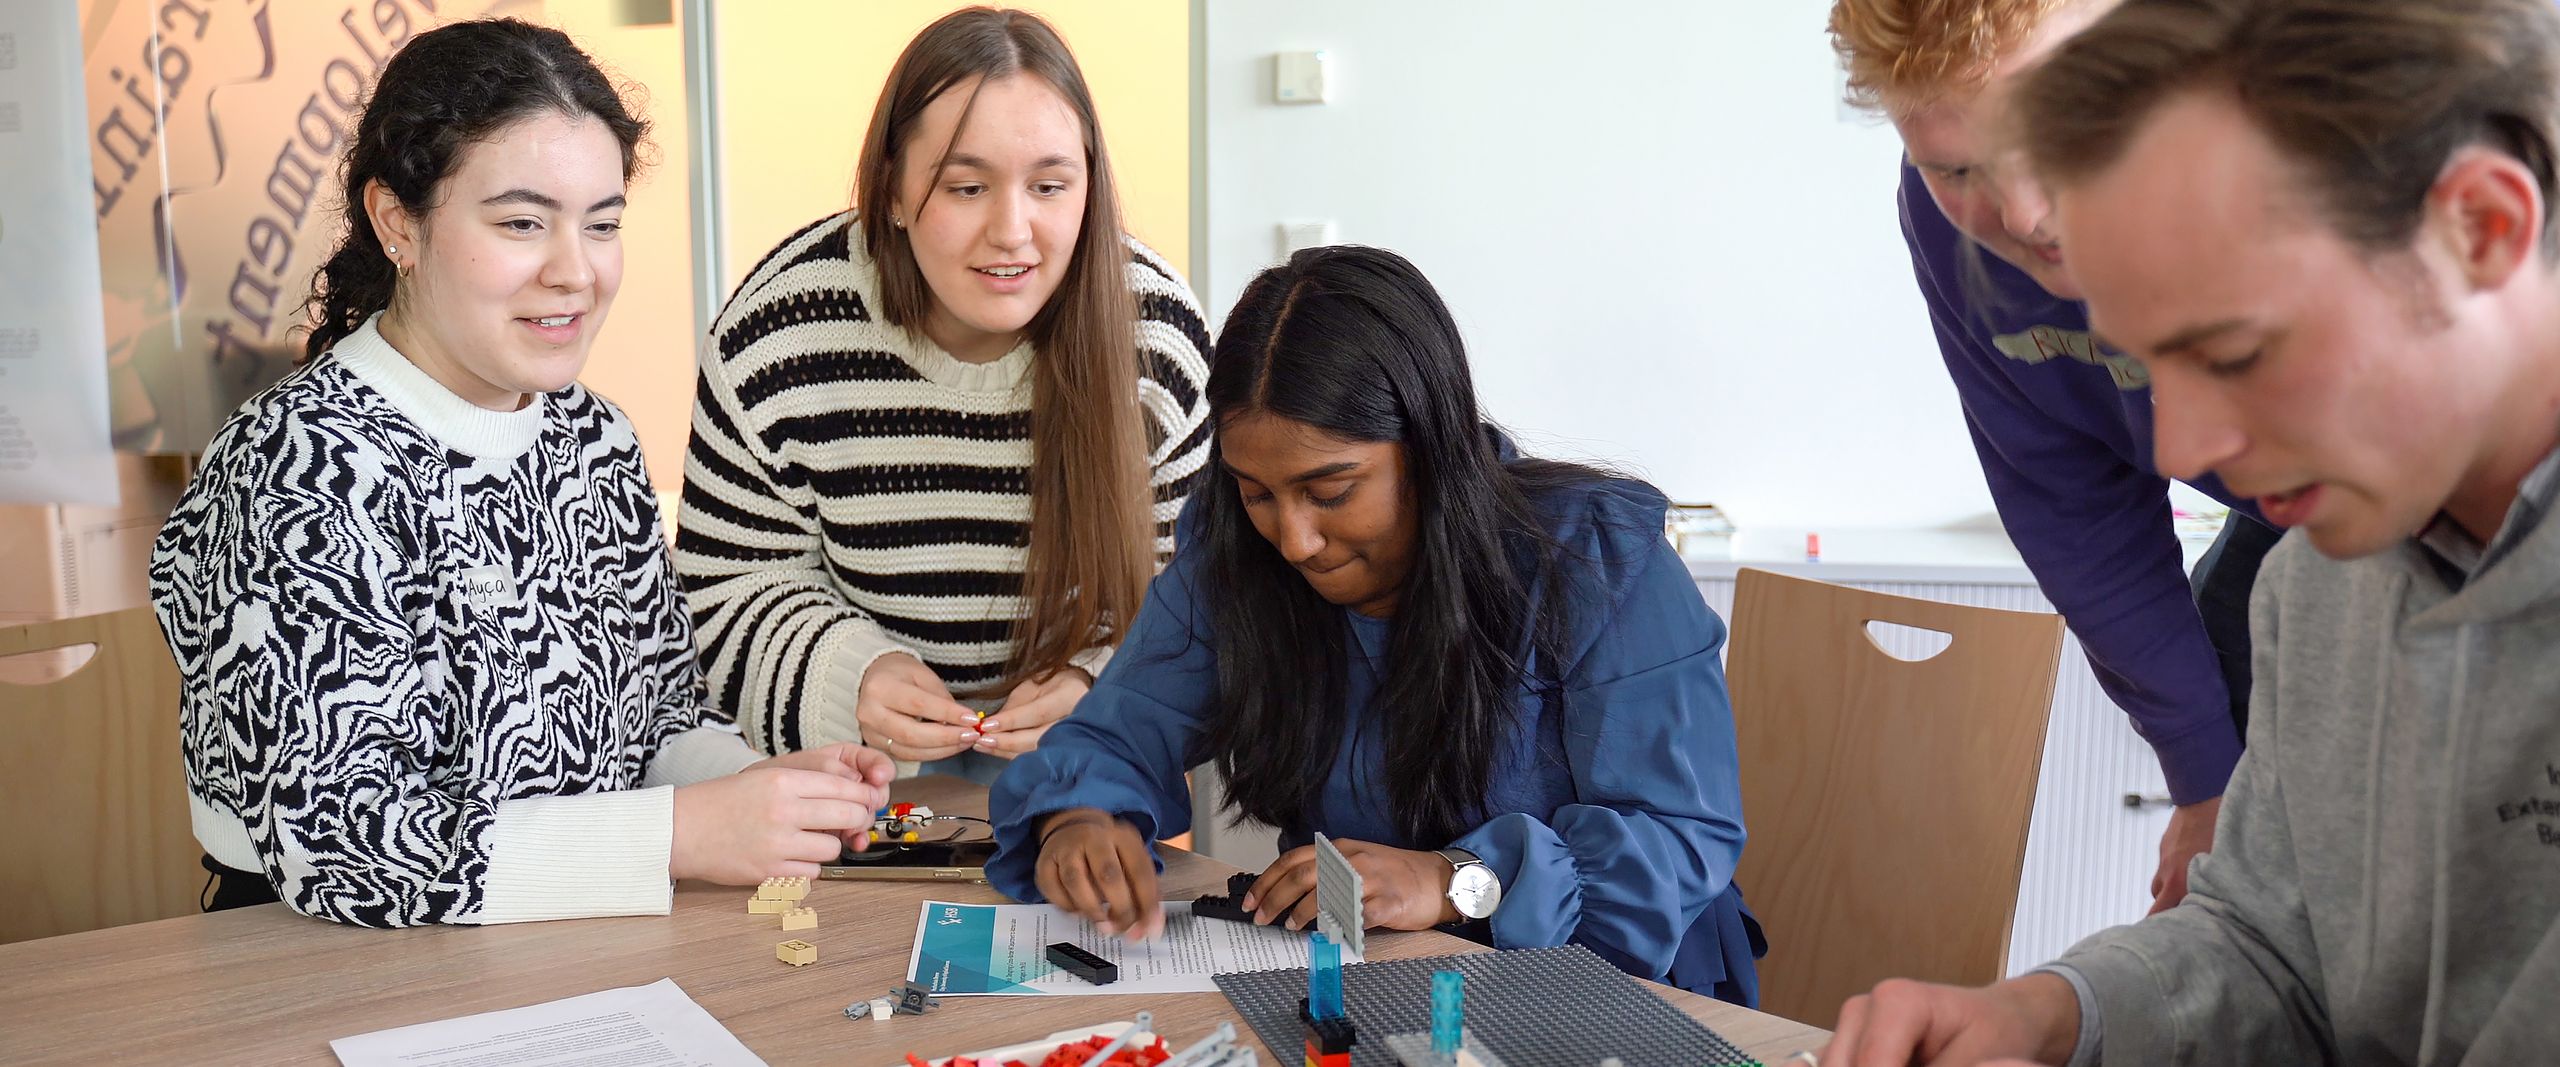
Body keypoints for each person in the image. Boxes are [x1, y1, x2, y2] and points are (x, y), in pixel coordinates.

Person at [1822, 0, 2560, 1061]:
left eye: (2232, 350)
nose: (2178, 449)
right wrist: (2049, 1015)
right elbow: (2269, 947)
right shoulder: (2312, 588)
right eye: (2142, 358)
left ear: (2481, 228)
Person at [149, 19, 893, 928]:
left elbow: (656, 717)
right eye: (521, 224)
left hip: (574, 938)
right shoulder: (295, 470)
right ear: (397, 223)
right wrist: (681, 833)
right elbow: (343, 845)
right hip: (327, 958)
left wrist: (761, 789)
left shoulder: (594, 439)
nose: (575, 273)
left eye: (604, 225)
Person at [984, 245, 1766, 1004]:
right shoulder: (1233, 558)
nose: (1293, 539)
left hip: (1617, 990)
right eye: (1257, 491)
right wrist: (1079, 818)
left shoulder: (1597, 558)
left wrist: (1452, 879)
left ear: (1429, 450)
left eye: (1331, 490)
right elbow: (1121, 731)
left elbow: (1679, 837)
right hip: (1373, 979)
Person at [675, 8, 1212, 784]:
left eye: (1051, 185)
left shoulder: (1156, 339)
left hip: (1083, 764)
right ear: (891, 187)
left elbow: (1195, 588)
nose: (1013, 231)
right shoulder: (778, 335)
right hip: (850, 768)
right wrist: (848, 675)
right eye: (966, 186)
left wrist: (1100, 682)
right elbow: (726, 587)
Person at [1829, 0, 2284, 911]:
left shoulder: (2314, 111)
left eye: (2050, 131)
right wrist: (2204, 781)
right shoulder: (1945, 223)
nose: (2025, 214)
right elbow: (2077, 507)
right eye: (1956, 166)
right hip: (2277, 520)